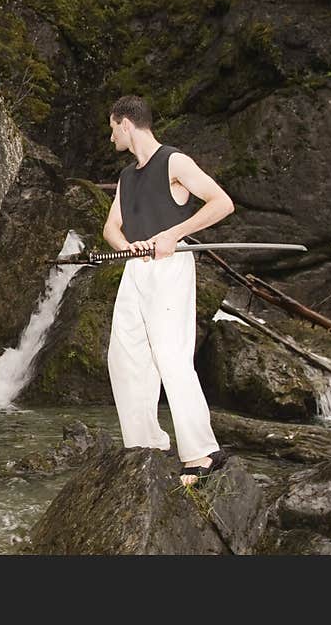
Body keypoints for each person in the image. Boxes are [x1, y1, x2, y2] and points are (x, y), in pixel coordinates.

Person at [102, 95, 235, 487]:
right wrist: (129, 248)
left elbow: (221, 202)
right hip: (136, 270)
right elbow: (111, 227)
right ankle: (147, 444)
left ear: (126, 123)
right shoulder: (126, 177)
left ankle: (201, 453)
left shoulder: (174, 162)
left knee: (171, 358)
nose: (111, 139)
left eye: (112, 130)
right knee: (123, 357)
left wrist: (175, 234)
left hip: (171, 269)